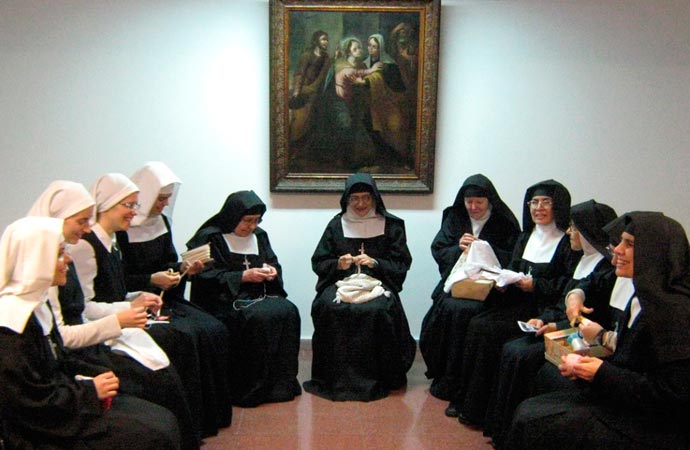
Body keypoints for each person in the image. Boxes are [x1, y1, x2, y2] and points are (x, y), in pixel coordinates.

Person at [27, 179, 200, 450]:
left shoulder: (82, 249)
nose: (87, 228)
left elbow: (96, 301)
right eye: (82, 221)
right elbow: (65, 332)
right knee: (153, 378)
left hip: (86, 341)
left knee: (172, 358)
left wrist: (132, 303)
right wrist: (120, 318)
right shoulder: (52, 265)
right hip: (77, 354)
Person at [504, 212, 690, 450]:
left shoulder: (675, 312)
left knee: (536, 421)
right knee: (531, 410)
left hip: (654, 425)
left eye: (629, 244)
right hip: (628, 401)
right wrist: (587, 369)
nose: (617, 250)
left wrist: (599, 372)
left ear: (654, 253)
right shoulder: (644, 296)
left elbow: (673, 395)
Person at [0, 216, 181, 450]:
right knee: (151, 433)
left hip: (62, 405)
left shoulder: (36, 305)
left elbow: (57, 360)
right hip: (41, 430)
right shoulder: (11, 324)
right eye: (60, 253)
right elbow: (27, 403)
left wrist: (95, 375)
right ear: (35, 260)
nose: (68, 259)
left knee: (159, 418)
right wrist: (89, 391)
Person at [483, 199, 618, 448]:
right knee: (512, 350)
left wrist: (556, 325)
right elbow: (563, 299)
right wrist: (544, 319)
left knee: (522, 355)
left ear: (589, 233)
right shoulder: (582, 259)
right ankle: (502, 430)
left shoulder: (605, 269)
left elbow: (594, 318)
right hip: (561, 324)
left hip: (583, 337)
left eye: (574, 228)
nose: (569, 233)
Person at [115, 162, 233, 435]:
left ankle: (211, 416)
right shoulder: (121, 230)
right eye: (160, 199)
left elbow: (169, 265)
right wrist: (150, 280)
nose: (165, 204)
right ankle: (190, 422)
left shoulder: (162, 223)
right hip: (137, 301)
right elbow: (118, 281)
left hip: (167, 299)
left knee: (214, 329)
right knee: (186, 338)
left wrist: (184, 269)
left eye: (167, 198)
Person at [451, 179, 578, 426]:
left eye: (546, 202)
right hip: (516, 302)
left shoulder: (567, 243)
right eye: (534, 202)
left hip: (543, 309)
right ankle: (468, 401)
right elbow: (512, 268)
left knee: (489, 331)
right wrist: (501, 280)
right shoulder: (526, 237)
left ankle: (484, 411)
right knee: (476, 324)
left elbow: (567, 285)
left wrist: (535, 285)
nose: (538, 208)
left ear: (558, 206)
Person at [303, 173, 416, 401]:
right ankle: (335, 378)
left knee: (377, 309)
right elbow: (319, 262)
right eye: (355, 198)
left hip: (378, 283)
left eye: (366, 198)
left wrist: (376, 263)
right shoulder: (336, 225)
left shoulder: (392, 225)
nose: (361, 203)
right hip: (340, 283)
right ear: (347, 199)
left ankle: (380, 377)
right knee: (329, 306)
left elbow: (401, 263)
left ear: (375, 198)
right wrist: (338, 264)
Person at [187, 190, 302, 407]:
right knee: (257, 318)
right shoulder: (210, 238)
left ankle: (280, 386)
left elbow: (273, 261)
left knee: (288, 310)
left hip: (259, 295)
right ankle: (249, 388)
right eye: (247, 221)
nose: (252, 226)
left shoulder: (260, 235)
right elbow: (203, 276)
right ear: (233, 216)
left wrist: (272, 270)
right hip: (224, 301)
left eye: (256, 221)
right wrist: (242, 276)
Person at [420, 174, 520, 407]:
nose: (473, 207)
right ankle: (447, 377)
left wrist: (485, 249)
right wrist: (458, 248)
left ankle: (472, 381)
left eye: (479, 202)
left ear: (490, 201)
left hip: (490, 290)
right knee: (446, 310)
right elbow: (439, 249)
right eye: (469, 202)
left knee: (470, 315)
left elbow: (514, 258)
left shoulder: (504, 223)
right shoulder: (454, 218)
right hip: (457, 284)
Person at [363, 33, 410, 167]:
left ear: (381, 48)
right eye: (369, 45)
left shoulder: (390, 65)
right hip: (371, 104)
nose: (371, 49)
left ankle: (398, 160)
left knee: (392, 130)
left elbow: (399, 88)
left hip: (388, 104)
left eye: (375, 46)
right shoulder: (364, 63)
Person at [289, 30, 332, 143]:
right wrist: (296, 92)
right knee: (300, 121)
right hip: (304, 91)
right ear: (316, 41)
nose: (326, 42)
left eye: (327, 40)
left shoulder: (326, 58)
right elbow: (299, 74)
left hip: (316, 92)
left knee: (313, 122)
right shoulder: (307, 56)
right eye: (323, 39)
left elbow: (323, 75)